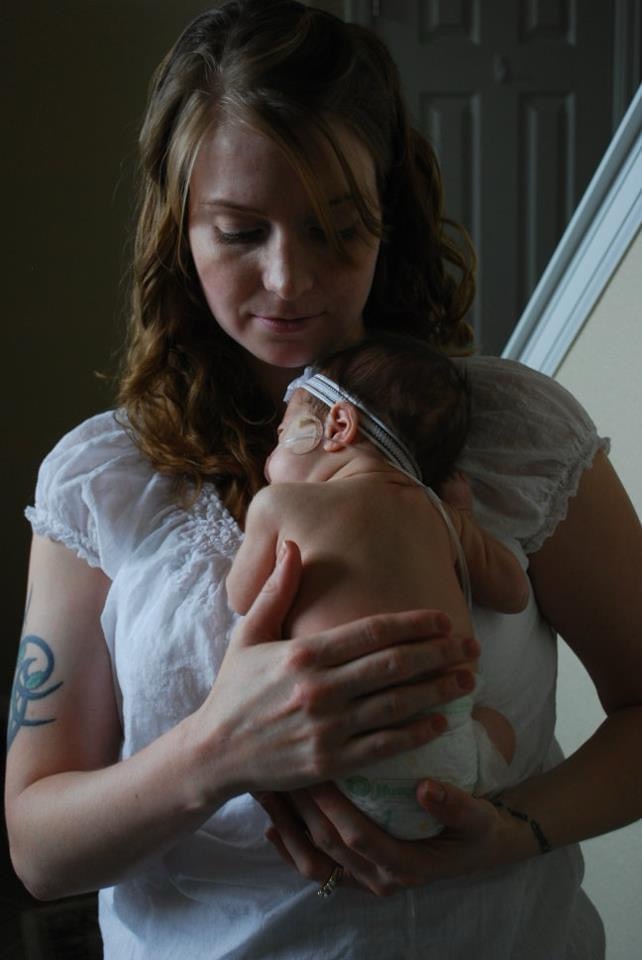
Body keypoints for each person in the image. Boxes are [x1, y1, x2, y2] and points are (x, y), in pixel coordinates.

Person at [5, 1, 642, 957]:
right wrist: (216, 752)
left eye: (337, 229)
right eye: (239, 232)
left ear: (390, 217)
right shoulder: (103, 480)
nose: (289, 279)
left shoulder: (515, 434)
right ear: (179, 229)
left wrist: (514, 830)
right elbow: (37, 850)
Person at [227, 332, 528, 839]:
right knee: (498, 725)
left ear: (338, 425)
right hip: (449, 765)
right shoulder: (440, 515)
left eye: (281, 435)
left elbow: (241, 596)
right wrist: (464, 518)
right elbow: (513, 594)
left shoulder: (280, 504)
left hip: (334, 752)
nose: (269, 459)